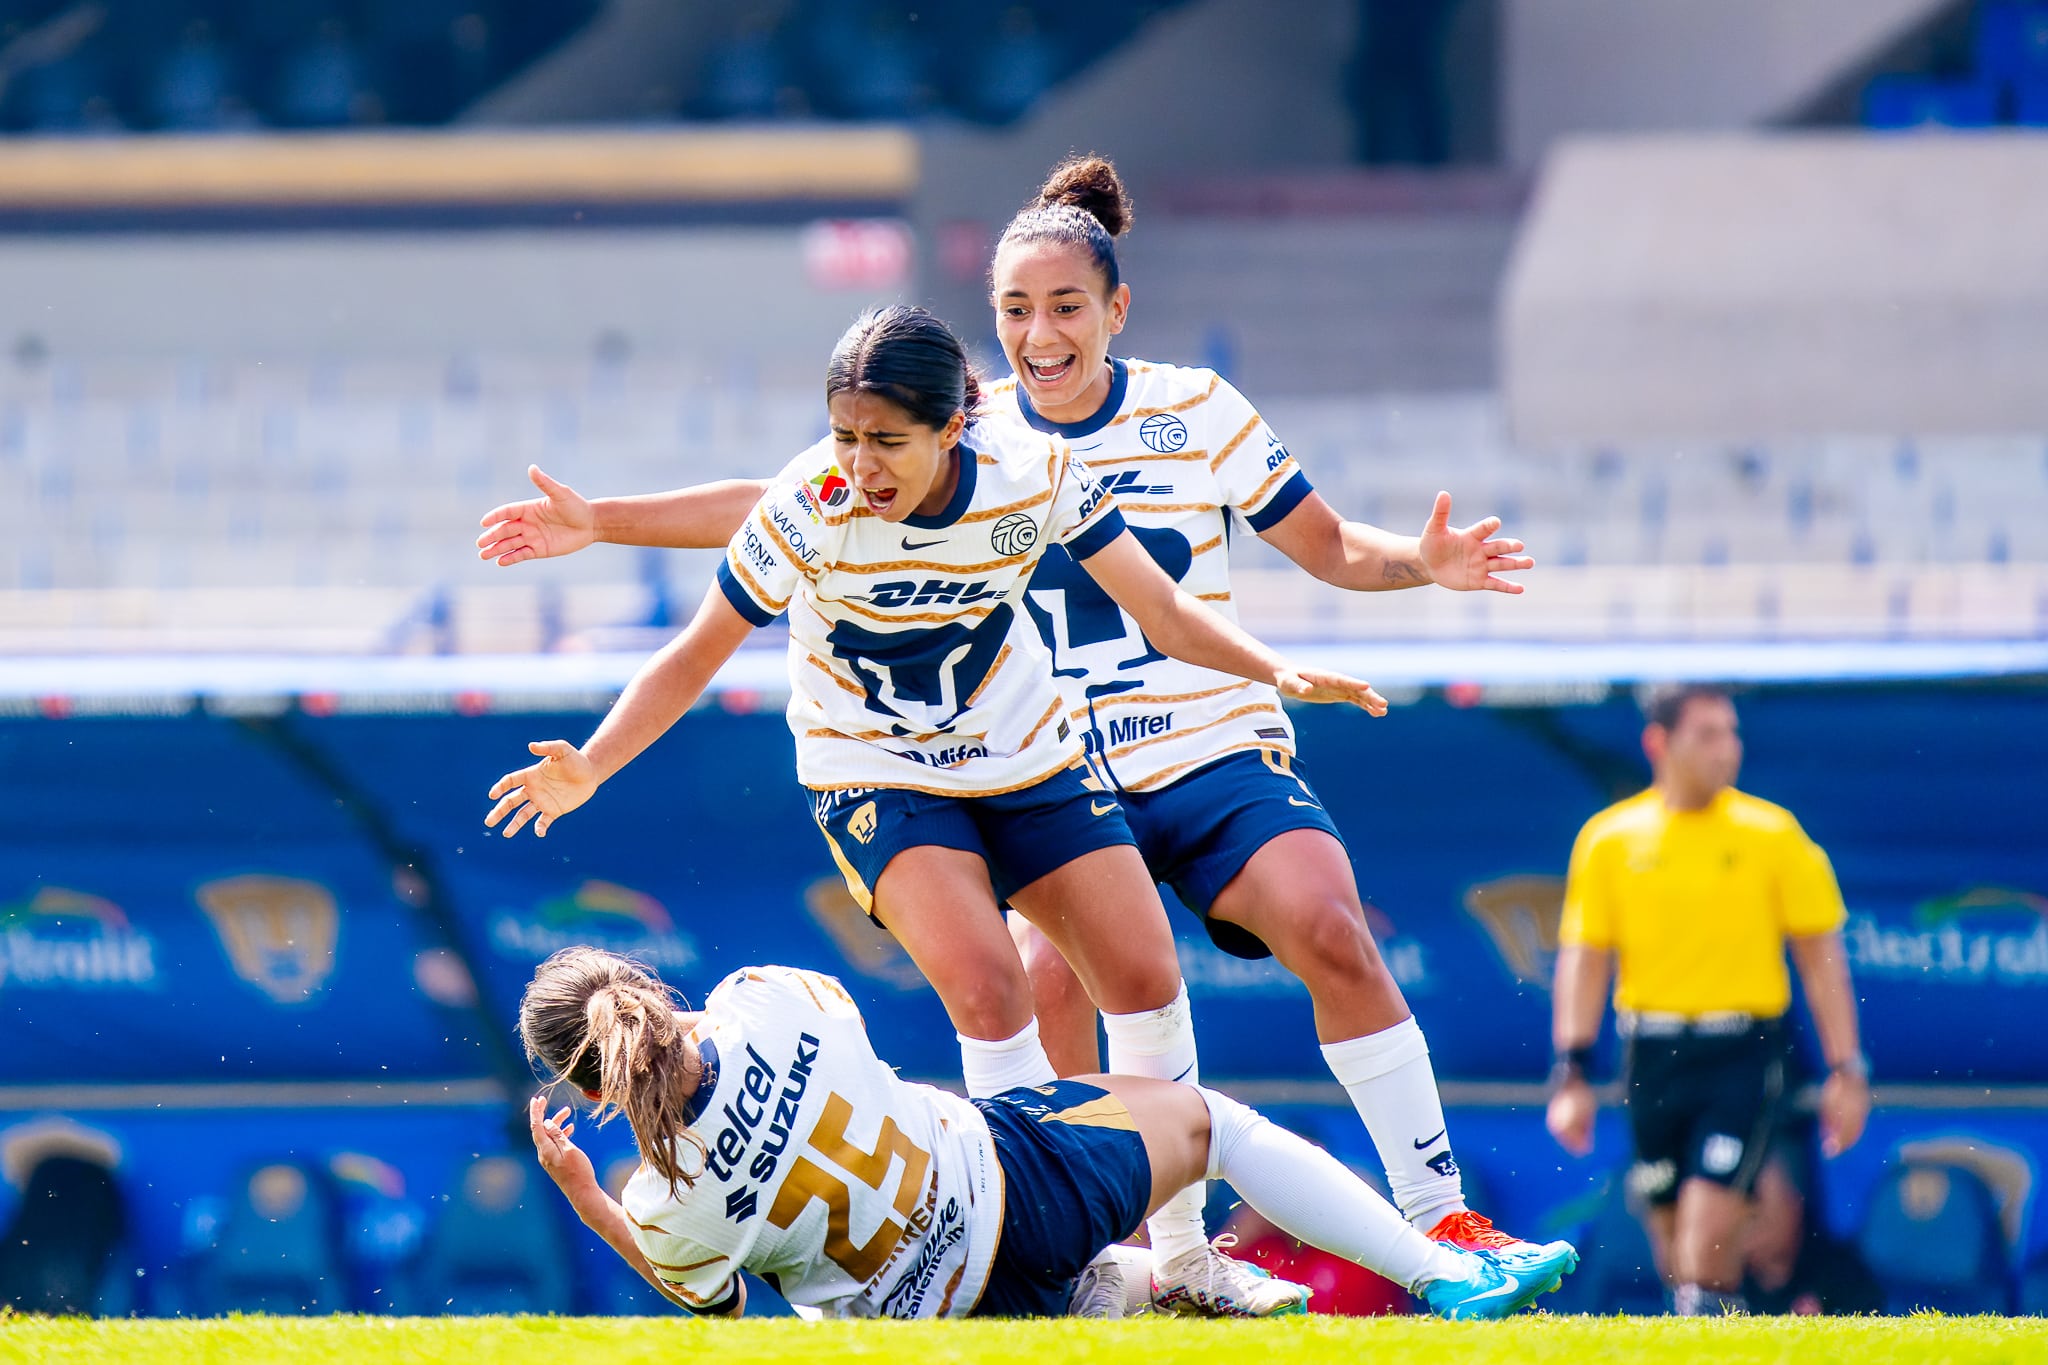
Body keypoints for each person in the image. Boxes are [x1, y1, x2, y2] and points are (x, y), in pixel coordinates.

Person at [475, 157, 1550, 1298]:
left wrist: (1275, 665)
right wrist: (590, 751)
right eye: (842, 436)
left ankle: (1223, 1262)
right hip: (885, 769)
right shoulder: (825, 496)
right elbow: (702, 630)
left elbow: (1170, 605)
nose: (856, 465)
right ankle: (1062, 1270)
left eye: (884, 441)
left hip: (1055, 751)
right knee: (994, 988)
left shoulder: (1049, 464)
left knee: (1187, 965)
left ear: (959, 422)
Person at [518, 946, 1578, 1319]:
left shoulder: (663, 1199)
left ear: (590, 1087)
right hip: (1010, 1185)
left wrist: (583, 1195)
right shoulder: (758, 997)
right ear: (642, 991)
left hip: (938, 1323)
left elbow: (701, 1299)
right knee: (1215, 1126)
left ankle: (1132, 1289)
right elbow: (838, 1020)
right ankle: (1442, 1276)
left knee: (1037, 1281)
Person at [1545, 682, 1871, 1316]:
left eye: (1733, 733)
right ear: (1658, 743)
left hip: (1743, 1053)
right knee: (1672, 1247)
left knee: (1705, 1237)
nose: (1728, 749)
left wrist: (1846, 1070)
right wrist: (1572, 1072)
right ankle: (1721, 1338)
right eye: (1708, 734)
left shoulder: (1772, 833)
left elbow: (1821, 959)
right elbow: (1585, 961)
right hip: (1651, 1054)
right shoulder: (1610, 838)